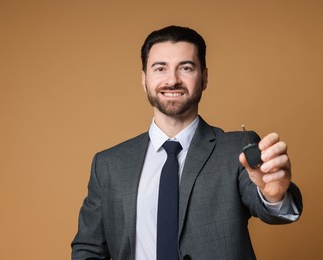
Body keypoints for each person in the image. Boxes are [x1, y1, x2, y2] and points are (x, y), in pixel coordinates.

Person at [71, 25, 303, 260]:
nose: (172, 80)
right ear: (144, 79)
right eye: (160, 68)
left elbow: (271, 209)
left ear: (204, 78)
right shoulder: (109, 165)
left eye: (186, 68)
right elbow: (88, 249)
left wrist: (273, 196)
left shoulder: (236, 149)